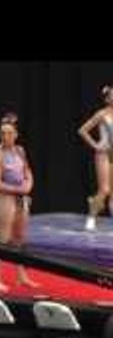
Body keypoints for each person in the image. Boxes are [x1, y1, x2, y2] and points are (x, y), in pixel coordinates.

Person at [0, 113, 38, 293]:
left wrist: (29, 185)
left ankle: (22, 277)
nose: (5, 137)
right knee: (2, 240)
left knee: (19, 238)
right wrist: (19, 190)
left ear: (16, 135)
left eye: (9, 133)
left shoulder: (20, 151)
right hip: (5, 198)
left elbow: (28, 172)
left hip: (21, 198)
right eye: (2, 133)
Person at [78, 85, 113, 231]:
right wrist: (96, 146)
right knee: (104, 190)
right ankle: (91, 217)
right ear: (107, 98)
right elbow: (82, 130)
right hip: (104, 153)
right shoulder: (102, 114)